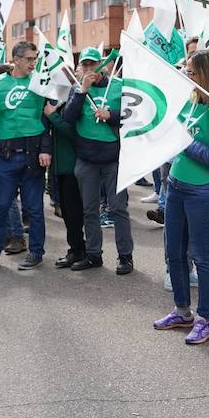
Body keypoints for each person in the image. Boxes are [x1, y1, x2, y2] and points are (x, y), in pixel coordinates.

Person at [152, 51, 209, 345]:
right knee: (174, 253)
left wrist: (183, 140)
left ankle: (205, 319)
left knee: (201, 256)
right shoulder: (192, 103)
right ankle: (182, 311)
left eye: (191, 72)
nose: (185, 76)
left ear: (206, 74)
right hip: (176, 185)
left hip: (204, 191)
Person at [64, 49, 134, 274]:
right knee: (89, 210)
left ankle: (125, 256)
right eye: (84, 65)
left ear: (103, 65)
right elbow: (68, 117)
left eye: (93, 64)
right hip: (86, 159)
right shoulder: (78, 88)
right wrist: (82, 92)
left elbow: (133, 115)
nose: (89, 70)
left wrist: (111, 115)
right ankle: (94, 254)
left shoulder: (119, 85)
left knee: (118, 209)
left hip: (114, 159)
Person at [0, 41, 51, 270]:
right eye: (30, 59)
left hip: (33, 155)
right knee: (0, 205)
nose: (34, 63)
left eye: (35, 58)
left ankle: (36, 252)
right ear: (16, 59)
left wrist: (45, 149)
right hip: (6, 156)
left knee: (34, 208)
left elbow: (46, 119)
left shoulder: (40, 81)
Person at [45, 94, 88, 268]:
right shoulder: (61, 100)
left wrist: (52, 116)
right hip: (59, 166)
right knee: (66, 212)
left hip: (72, 166)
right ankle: (76, 248)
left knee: (73, 213)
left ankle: (79, 250)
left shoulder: (77, 101)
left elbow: (73, 132)